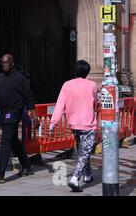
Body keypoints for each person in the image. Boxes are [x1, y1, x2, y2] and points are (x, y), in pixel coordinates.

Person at [0, 54, 40, 183]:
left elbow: (29, 97)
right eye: (2, 63)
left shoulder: (19, 78)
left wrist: (34, 117)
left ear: (12, 63)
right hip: (4, 112)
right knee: (13, 141)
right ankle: (26, 166)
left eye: (7, 62)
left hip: (14, 112)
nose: (4, 64)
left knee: (5, 141)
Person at [49, 60, 100, 192]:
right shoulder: (93, 85)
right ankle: (75, 178)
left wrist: (53, 123)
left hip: (74, 124)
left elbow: (60, 105)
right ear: (87, 72)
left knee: (83, 149)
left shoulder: (67, 84)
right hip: (88, 123)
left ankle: (88, 174)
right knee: (86, 151)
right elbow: (96, 104)